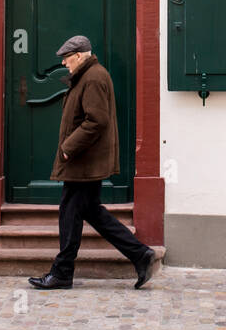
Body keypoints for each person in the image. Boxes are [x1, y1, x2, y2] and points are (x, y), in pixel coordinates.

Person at [28, 35, 157, 290]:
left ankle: (62, 272)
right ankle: (140, 254)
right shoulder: (88, 76)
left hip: (83, 161)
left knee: (69, 213)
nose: (64, 63)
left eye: (66, 58)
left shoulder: (94, 77)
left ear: (78, 55)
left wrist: (68, 148)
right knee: (90, 212)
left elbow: (96, 121)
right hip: (85, 160)